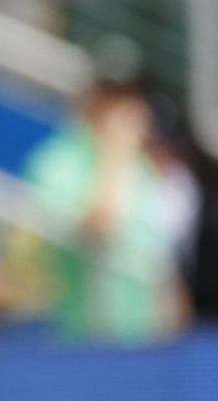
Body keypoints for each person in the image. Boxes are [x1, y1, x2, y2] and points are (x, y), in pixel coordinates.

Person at [22, 63, 185, 344]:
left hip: (143, 340)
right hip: (82, 340)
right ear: (93, 101)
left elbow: (157, 257)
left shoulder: (142, 166)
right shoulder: (57, 162)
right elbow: (96, 234)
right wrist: (113, 156)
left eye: (133, 98)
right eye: (114, 98)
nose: (126, 109)